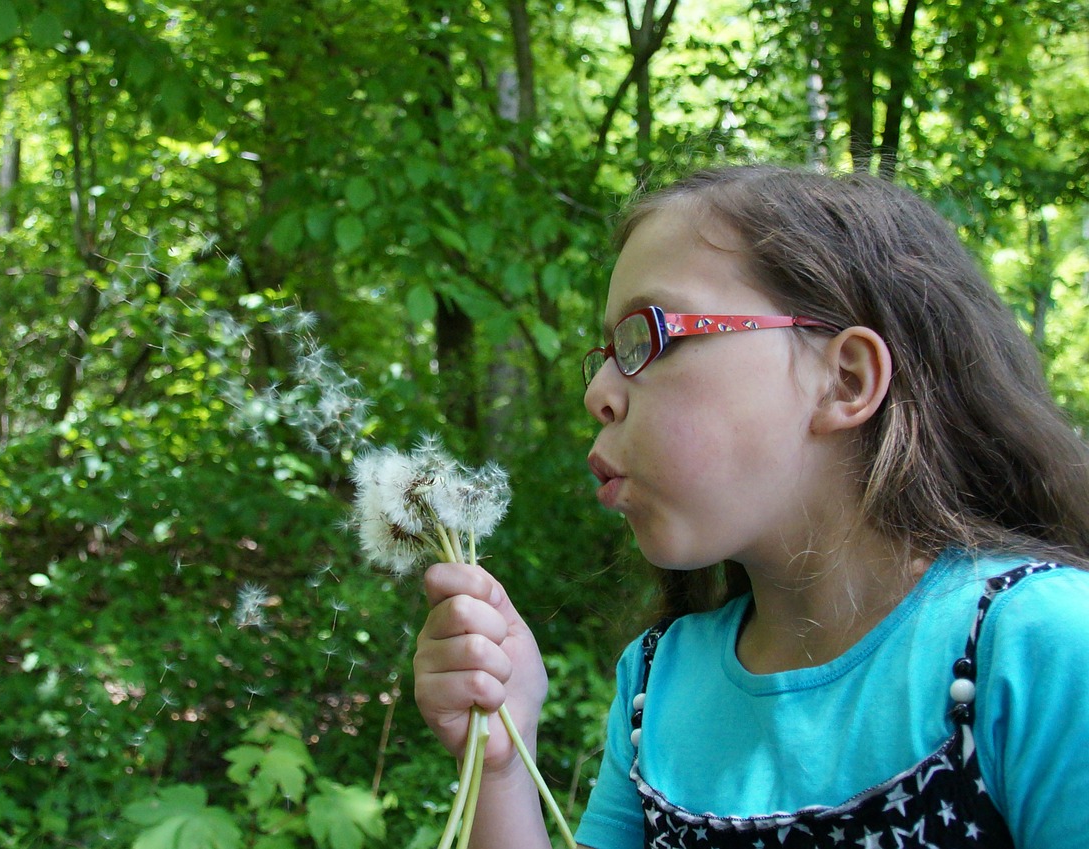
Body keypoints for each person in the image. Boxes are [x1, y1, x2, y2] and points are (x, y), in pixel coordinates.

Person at [412, 165, 1089, 849]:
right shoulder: (657, 681)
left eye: (647, 337)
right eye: (607, 354)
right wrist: (499, 762)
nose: (598, 394)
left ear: (844, 380)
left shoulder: (1037, 645)